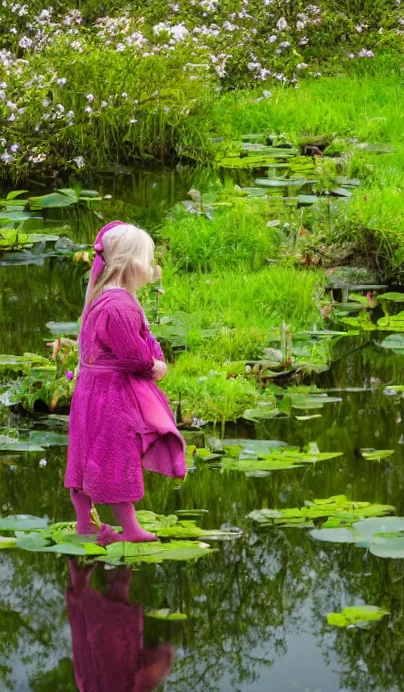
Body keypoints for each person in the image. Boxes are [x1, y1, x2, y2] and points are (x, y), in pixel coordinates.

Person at [65, 222, 186, 545]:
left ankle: (85, 524)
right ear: (132, 263)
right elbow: (133, 357)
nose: (150, 267)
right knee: (118, 457)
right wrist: (155, 367)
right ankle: (130, 529)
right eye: (147, 260)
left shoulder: (101, 298)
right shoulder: (119, 307)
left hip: (88, 390)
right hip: (111, 395)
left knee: (85, 453)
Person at [65, 560, 174, 692]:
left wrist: (158, 668)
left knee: (117, 611)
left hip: (114, 654)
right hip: (105, 659)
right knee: (118, 596)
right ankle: (84, 582)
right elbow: (81, 644)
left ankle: (90, 581)